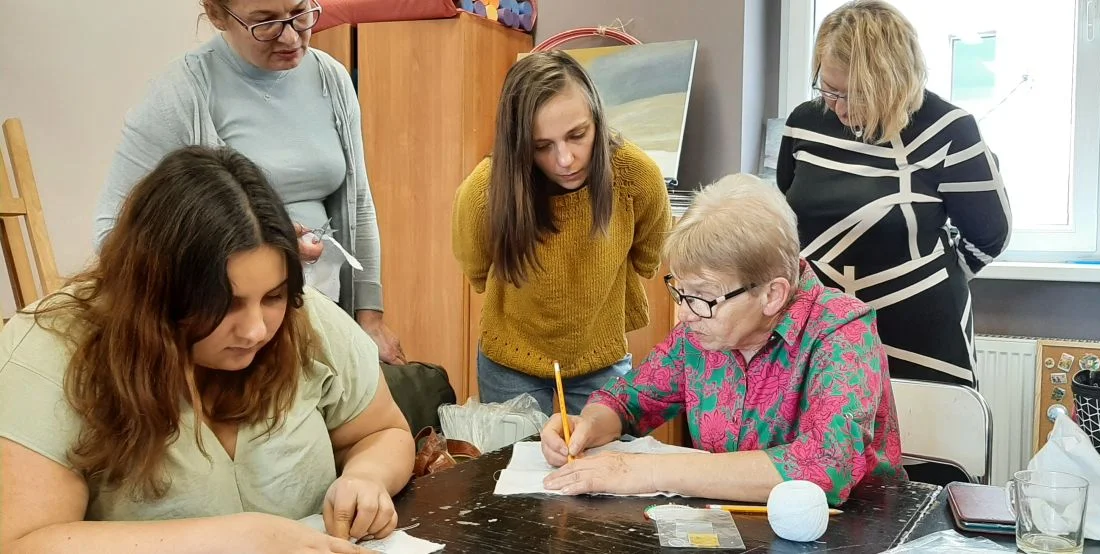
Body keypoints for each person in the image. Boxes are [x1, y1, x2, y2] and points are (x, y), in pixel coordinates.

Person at [1, 146, 414, 553]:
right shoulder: (53, 349)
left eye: (273, 296)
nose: (254, 330)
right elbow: (21, 543)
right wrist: (235, 541)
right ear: (156, 290)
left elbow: (383, 431)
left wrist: (366, 478)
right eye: (224, 303)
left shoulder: (308, 321)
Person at [538, 174, 904, 505]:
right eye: (680, 293)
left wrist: (643, 471)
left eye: (701, 297)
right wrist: (586, 426)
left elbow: (826, 465)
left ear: (772, 294)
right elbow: (628, 400)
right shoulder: (701, 332)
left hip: (849, 534)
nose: (684, 314)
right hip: (731, 526)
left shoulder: (841, 329)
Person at [92, 0, 406, 364]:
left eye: (301, 12)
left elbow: (360, 202)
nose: (291, 37)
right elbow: (111, 233)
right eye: (265, 23)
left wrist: (369, 317)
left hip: (321, 313)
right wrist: (262, 240)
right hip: (233, 328)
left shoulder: (332, 79)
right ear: (217, 15)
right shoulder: (180, 94)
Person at [777, 0, 1011, 387]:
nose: (839, 107)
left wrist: (925, 275)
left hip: (919, 333)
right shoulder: (805, 124)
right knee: (820, 445)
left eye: (856, 95)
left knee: (924, 444)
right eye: (829, 90)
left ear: (893, 81)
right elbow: (790, 213)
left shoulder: (950, 130)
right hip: (823, 331)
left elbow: (989, 235)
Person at [452, 51, 672, 416]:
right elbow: (476, 266)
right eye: (542, 147)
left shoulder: (637, 176)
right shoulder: (483, 192)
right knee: (512, 467)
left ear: (597, 121)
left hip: (600, 358)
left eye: (577, 135)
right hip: (510, 360)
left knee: (604, 465)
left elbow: (648, 256)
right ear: (519, 143)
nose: (565, 159)